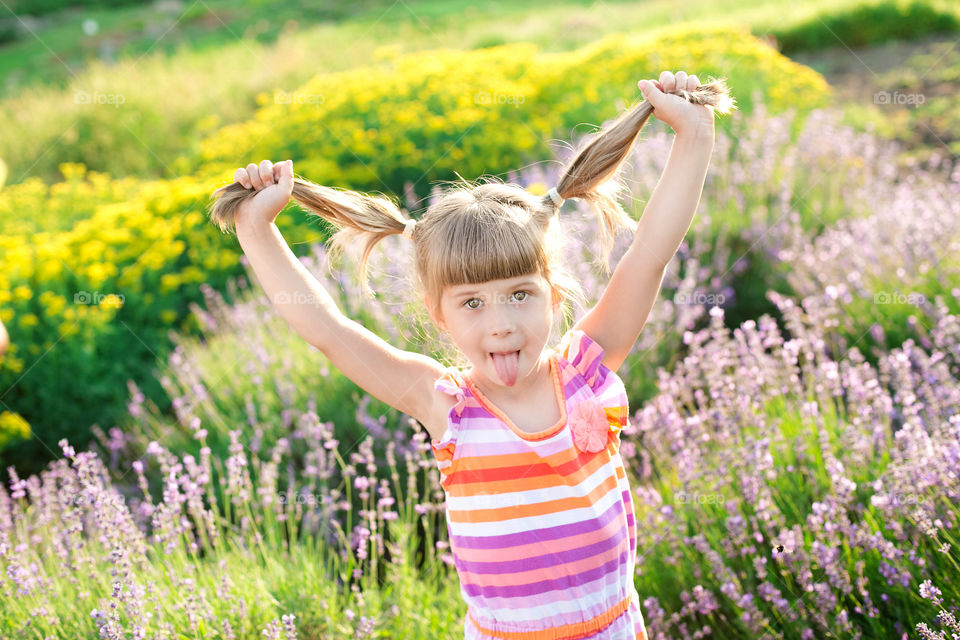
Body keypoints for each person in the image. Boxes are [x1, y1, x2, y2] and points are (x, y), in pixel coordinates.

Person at [210, 70, 731, 640]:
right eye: (473, 303)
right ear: (440, 316)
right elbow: (331, 334)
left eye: (520, 295)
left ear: (554, 296)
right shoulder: (445, 404)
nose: (502, 324)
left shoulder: (584, 371)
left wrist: (695, 135)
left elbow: (649, 256)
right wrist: (255, 227)